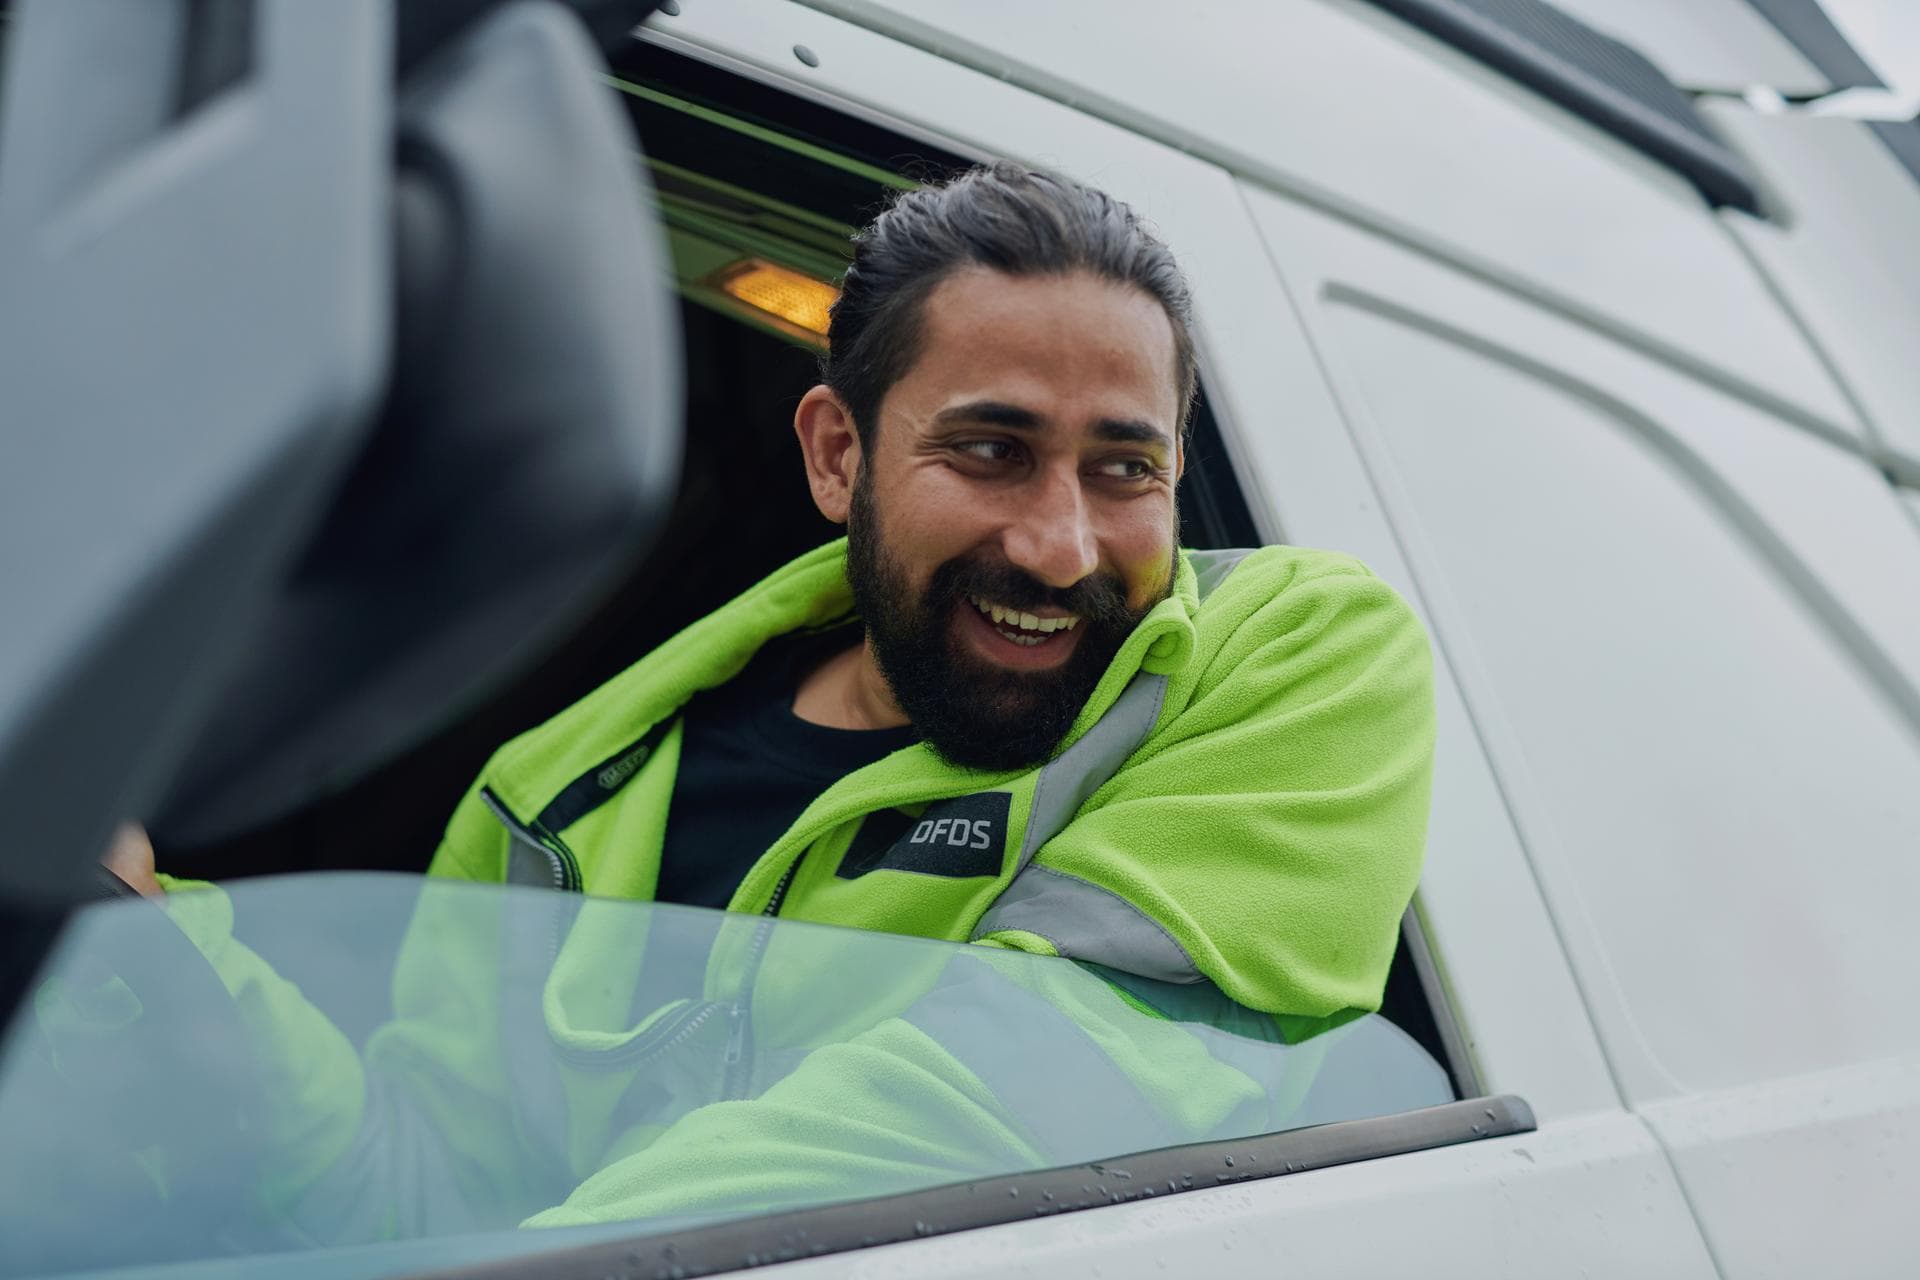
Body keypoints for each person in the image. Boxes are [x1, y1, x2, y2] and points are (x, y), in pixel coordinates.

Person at [96, 161, 1437, 1234]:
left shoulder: (1291, 654)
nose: (1059, 546)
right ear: (838, 454)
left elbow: (1019, 1098)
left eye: (1125, 469)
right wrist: (166, 947)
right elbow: (423, 1203)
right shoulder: (548, 803)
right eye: (991, 449)